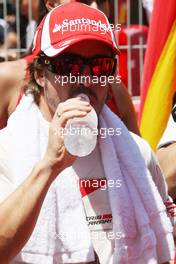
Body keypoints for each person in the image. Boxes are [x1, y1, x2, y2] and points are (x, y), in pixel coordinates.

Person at [0, 3, 174, 264]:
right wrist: (49, 166)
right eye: (69, 64)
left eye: (100, 65)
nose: (86, 78)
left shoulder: (136, 153)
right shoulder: (7, 151)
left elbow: (162, 243)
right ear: (39, 75)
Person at [0, 0, 140, 136]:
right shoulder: (7, 79)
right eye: (68, 66)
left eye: (101, 65)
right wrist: (49, 160)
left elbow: (135, 156)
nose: (95, 8)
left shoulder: (115, 89)